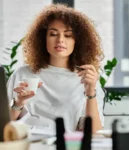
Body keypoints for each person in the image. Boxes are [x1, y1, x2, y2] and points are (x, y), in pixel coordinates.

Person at [7, 3, 104, 133]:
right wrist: (18, 102)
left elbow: (94, 134)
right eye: (53, 34)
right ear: (43, 39)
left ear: (78, 41)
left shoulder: (87, 79)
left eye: (68, 35)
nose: (60, 40)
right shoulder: (22, 74)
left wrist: (90, 92)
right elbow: (3, 127)